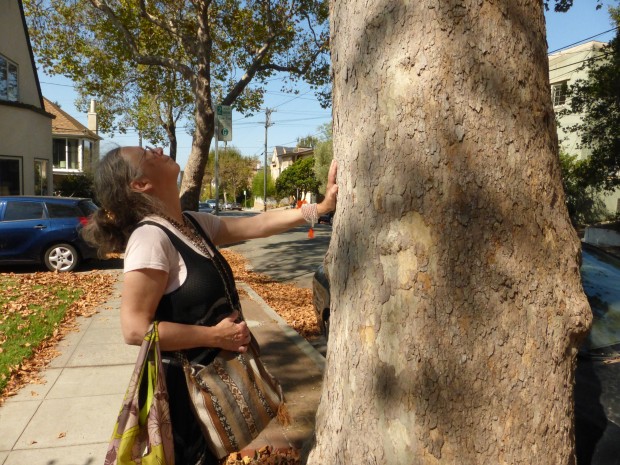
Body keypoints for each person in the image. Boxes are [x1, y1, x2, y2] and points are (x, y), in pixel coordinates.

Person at [82, 145, 337, 464]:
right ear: (140, 184)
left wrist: (321, 207)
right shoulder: (150, 239)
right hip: (184, 396)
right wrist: (214, 337)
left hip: (212, 384)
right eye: (148, 153)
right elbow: (134, 329)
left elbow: (257, 225)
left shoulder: (191, 224)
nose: (158, 148)